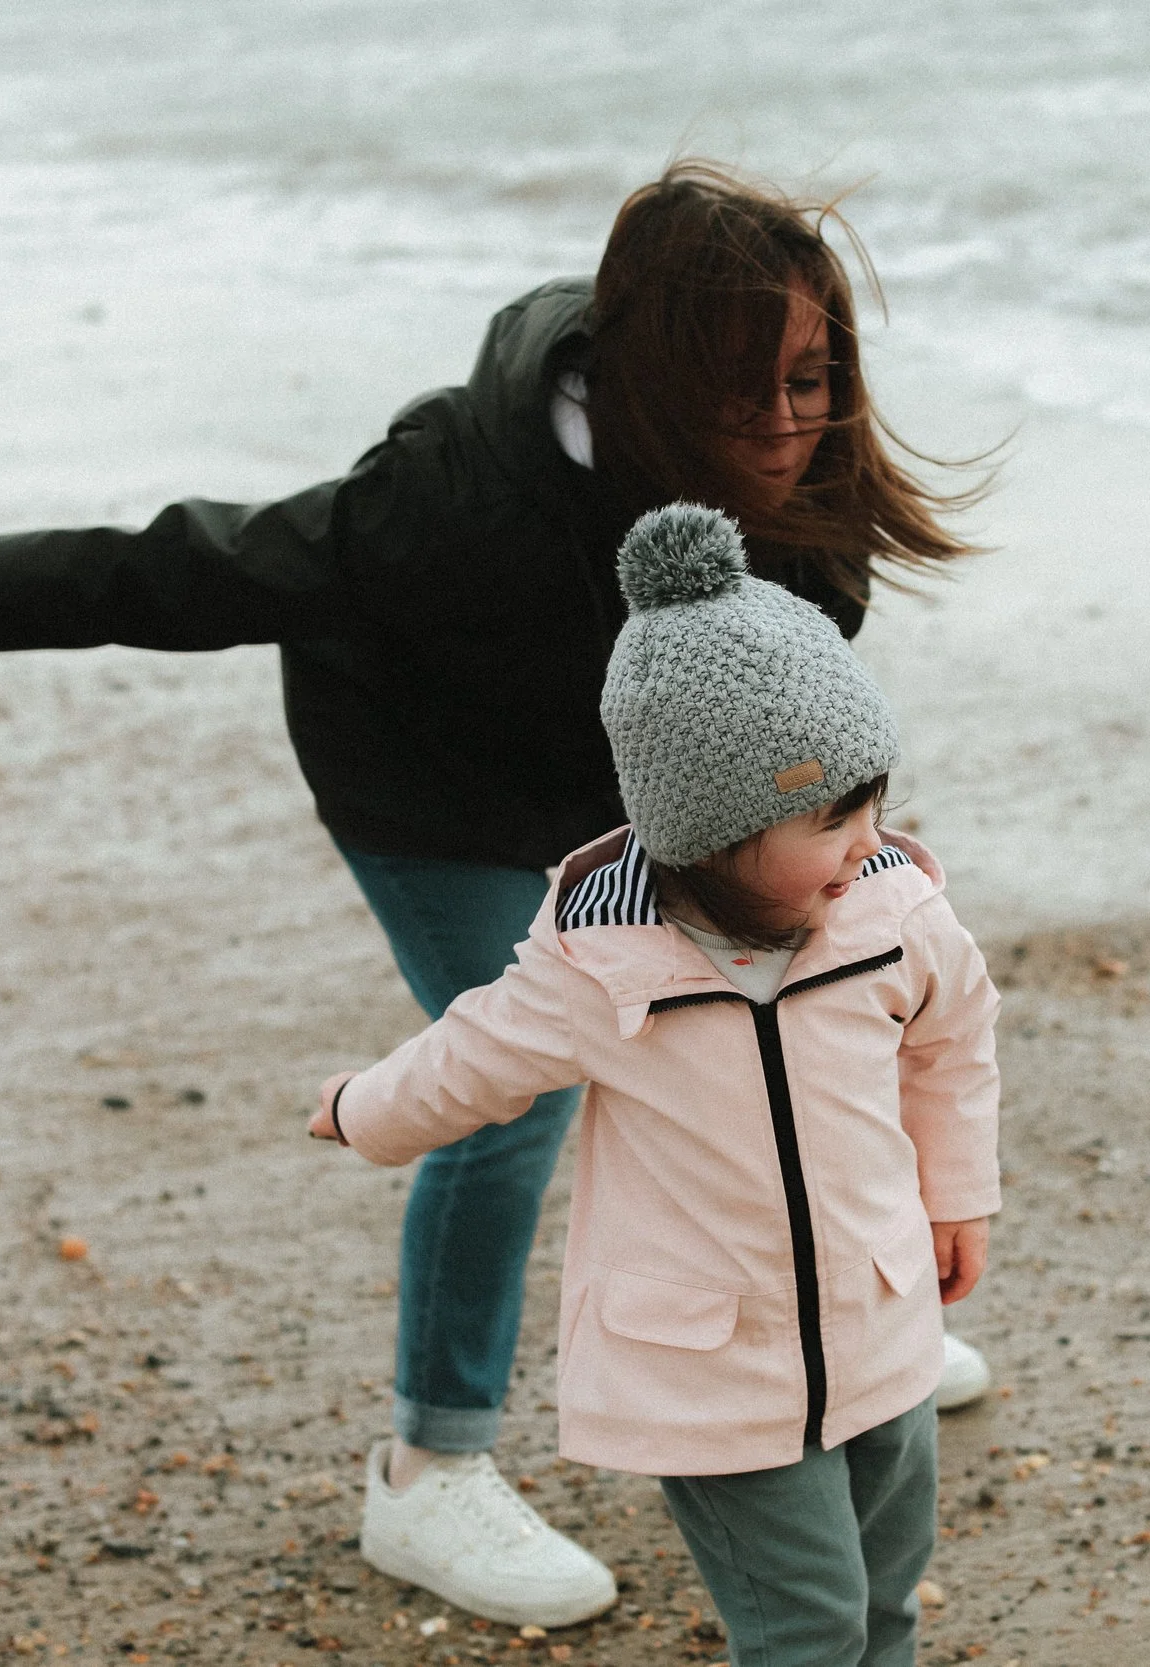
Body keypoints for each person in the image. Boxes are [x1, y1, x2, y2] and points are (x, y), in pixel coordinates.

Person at [0, 160, 995, 1626]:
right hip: (435, 792)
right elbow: (183, 572)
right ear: (651, 379)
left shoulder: (797, 494)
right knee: (515, 1085)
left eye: (811, 379)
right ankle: (429, 1465)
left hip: (662, 811)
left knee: (800, 996)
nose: (787, 424)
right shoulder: (448, 492)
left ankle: (832, 1332)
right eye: (743, 391)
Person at [312, 503, 999, 1664]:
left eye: (873, 800)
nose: (866, 838)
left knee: (886, 1596)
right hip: (715, 1369)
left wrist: (957, 1191)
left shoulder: (893, 913)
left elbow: (953, 1039)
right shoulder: (600, 960)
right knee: (809, 1626)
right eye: (830, 816)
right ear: (714, 835)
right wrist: (361, 1110)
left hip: (880, 1320)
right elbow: (471, 1056)